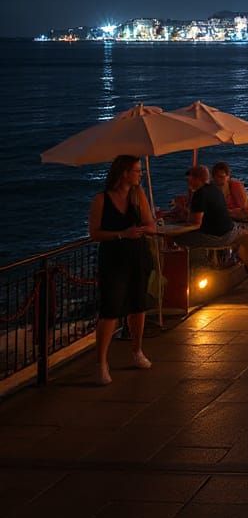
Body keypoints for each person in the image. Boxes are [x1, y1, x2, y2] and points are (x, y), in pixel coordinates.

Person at [88, 155, 157, 385]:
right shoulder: (102, 200)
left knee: (138, 306)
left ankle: (137, 350)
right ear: (124, 173)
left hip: (137, 256)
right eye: (137, 170)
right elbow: (95, 233)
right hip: (113, 260)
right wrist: (121, 234)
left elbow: (151, 224)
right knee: (110, 309)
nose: (140, 174)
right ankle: (101, 363)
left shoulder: (138, 196)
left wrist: (142, 229)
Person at [176, 165, 248, 283]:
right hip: (229, 230)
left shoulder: (200, 194)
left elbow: (195, 223)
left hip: (218, 236)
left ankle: (183, 278)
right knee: (247, 234)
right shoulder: (214, 189)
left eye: (190, 180)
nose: (188, 183)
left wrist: (180, 209)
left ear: (198, 179)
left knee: (176, 239)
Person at [210, 162, 248, 258]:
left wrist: (227, 212)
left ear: (228, 176)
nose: (219, 180)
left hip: (245, 219)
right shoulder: (211, 190)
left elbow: (245, 211)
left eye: (222, 177)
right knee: (247, 234)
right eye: (216, 177)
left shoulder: (235, 186)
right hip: (228, 221)